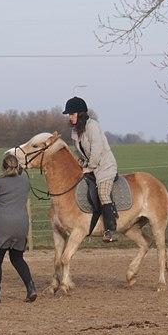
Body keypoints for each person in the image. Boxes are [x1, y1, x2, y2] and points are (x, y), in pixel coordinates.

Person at [0, 154, 37, 304]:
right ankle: (31, 288)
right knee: (17, 258)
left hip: (4, 224)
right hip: (22, 224)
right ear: (17, 166)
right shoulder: (25, 181)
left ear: (3, 166)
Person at [63, 96, 119, 242]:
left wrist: (90, 167)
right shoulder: (76, 132)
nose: (70, 117)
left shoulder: (92, 126)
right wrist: (81, 162)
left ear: (80, 114)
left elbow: (97, 148)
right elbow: (80, 151)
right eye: (69, 114)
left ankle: (109, 229)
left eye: (72, 114)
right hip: (91, 166)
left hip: (104, 167)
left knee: (103, 192)